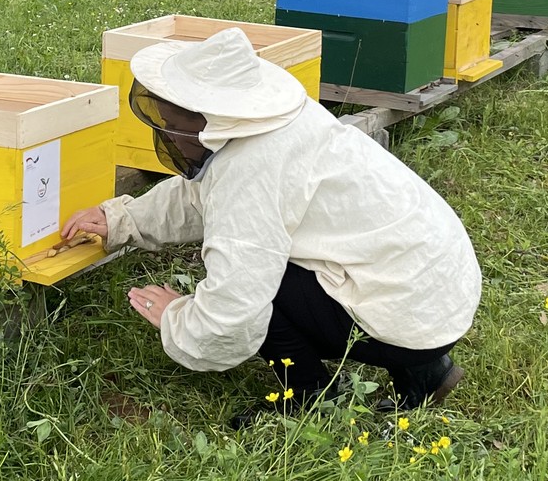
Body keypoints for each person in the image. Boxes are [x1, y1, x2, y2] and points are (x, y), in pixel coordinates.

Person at [61, 27, 481, 419]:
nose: (169, 132)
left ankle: (306, 397)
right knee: (288, 270)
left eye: (175, 123)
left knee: (266, 282)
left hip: (408, 307)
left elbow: (237, 303)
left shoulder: (252, 168)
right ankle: (427, 373)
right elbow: (203, 192)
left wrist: (179, 318)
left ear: (207, 112)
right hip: (436, 286)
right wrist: (120, 219)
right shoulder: (278, 124)